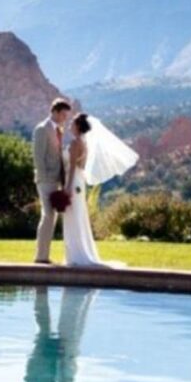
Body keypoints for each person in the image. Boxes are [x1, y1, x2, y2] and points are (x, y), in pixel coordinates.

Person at [62, 113, 138, 268]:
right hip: (79, 182)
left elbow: (71, 169)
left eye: (72, 123)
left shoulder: (76, 143)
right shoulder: (84, 142)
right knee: (77, 217)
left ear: (78, 126)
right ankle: (77, 254)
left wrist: (67, 187)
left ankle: (77, 256)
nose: (70, 125)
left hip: (74, 181)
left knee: (73, 218)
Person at [32, 98, 72, 264]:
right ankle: (41, 257)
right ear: (54, 112)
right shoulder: (42, 129)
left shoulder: (58, 130)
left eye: (66, 115)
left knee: (51, 217)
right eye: (63, 114)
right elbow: (38, 157)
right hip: (46, 180)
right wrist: (45, 178)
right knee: (48, 215)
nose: (65, 118)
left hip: (56, 180)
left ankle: (43, 256)